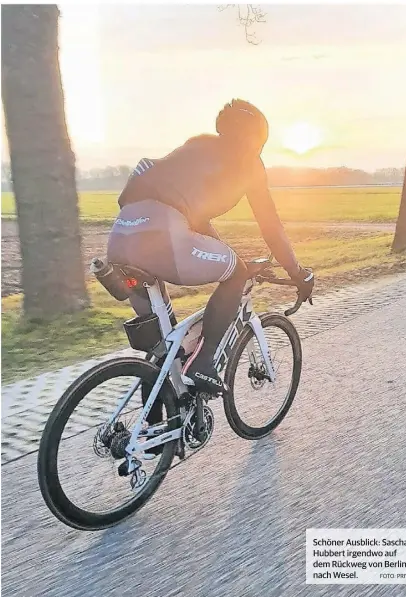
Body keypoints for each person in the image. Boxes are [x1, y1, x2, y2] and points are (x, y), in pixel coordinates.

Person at [107, 99, 314, 395]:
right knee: (237, 273)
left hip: (120, 237)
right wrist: (298, 273)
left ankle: (157, 438)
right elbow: (271, 227)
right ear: (256, 139)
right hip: (163, 235)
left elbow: (196, 217)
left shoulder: (196, 146)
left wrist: (223, 252)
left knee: (163, 358)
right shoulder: (249, 164)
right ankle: (204, 362)